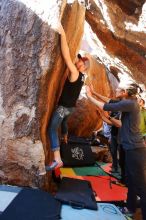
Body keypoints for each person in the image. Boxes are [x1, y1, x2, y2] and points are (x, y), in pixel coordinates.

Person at [86, 84, 146, 220]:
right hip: (131, 149)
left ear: (125, 92)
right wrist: (94, 92)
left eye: (119, 89)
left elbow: (106, 106)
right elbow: (110, 101)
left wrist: (89, 96)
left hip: (136, 150)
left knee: (141, 185)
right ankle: (130, 208)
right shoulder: (127, 102)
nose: (116, 90)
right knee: (131, 181)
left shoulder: (130, 104)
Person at [46, 24, 90, 171]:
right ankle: (64, 135)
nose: (76, 61)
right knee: (63, 123)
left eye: (79, 61)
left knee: (51, 130)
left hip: (63, 108)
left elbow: (65, 55)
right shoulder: (83, 77)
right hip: (70, 109)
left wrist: (63, 34)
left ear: (83, 65)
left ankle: (57, 159)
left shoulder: (75, 73)